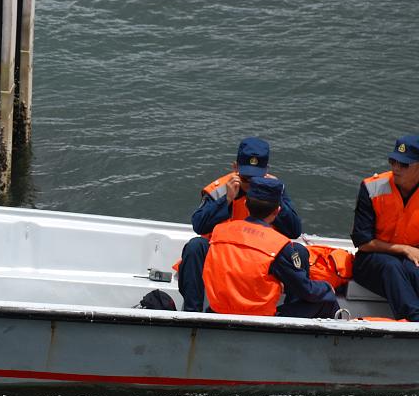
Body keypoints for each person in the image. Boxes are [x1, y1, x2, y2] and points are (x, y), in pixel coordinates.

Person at [178, 137, 302, 311]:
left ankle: (291, 317)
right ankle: (192, 315)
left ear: (266, 171)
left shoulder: (274, 188)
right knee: (194, 247)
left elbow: (294, 230)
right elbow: (199, 225)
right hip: (223, 255)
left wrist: (273, 199)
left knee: (299, 253)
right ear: (235, 168)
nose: (250, 185)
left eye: (256, 179)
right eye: (245, 179)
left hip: (261, 255)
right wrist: (226, 199)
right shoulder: (220, 188)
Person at [202, 177, 339, 318]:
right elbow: (305, 290)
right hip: (259, 321)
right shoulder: (279, 245)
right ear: (277, 211)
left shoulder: (219, 232)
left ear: (246, 206)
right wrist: (327, 288)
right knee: (327, 301)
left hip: (217, 314)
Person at [349, 135, 419, 321]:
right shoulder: (372, 187)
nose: (395, 168)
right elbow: (363, 242)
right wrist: (404, 249)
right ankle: (414, 320)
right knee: (391, 266)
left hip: (411, 259)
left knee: (412, 270)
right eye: (393, 161)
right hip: (370, 261)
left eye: (404, 165)